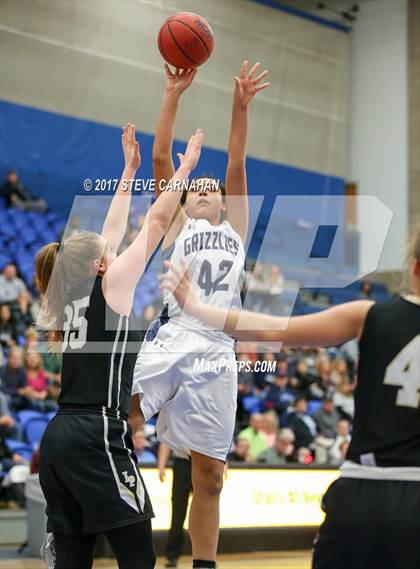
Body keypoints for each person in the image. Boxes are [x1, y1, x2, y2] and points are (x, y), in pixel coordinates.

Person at [160, 224, 420, 569]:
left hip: (362, 495)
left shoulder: (369, 314)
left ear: (413, 267)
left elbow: (272, 329)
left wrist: (196, 307)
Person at [35, 123, 203, 569]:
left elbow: (112, 231)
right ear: (99, 265)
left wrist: (129, 171)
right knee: (138, 558)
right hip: (96, 435)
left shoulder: (72, 292)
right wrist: (184, 170)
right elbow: (158, 221)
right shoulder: (111, 289)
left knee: (73, 561)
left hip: (59, 438)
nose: (116, 251)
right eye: (108, 253)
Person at [132, 60, 269, 569]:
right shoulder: (178, 227)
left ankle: (203, 564)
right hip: (175, 334)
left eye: (214, 188)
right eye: (198, 188)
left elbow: (237, 164)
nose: (208, 189)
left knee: (211, 475)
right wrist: (173, 94)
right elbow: (163, 157)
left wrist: (240, 105)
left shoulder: (236, 228)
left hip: (217, 348)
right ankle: (87, 523)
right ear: (186, 200)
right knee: (119, 418)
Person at [158, 443, 193, 568]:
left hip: (205, 459)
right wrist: (161, 465)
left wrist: (223, 461)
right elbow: (166, 439)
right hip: (182, 462)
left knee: (205, 512)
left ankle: (206, 556)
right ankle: (172, 555)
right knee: (178, 510)